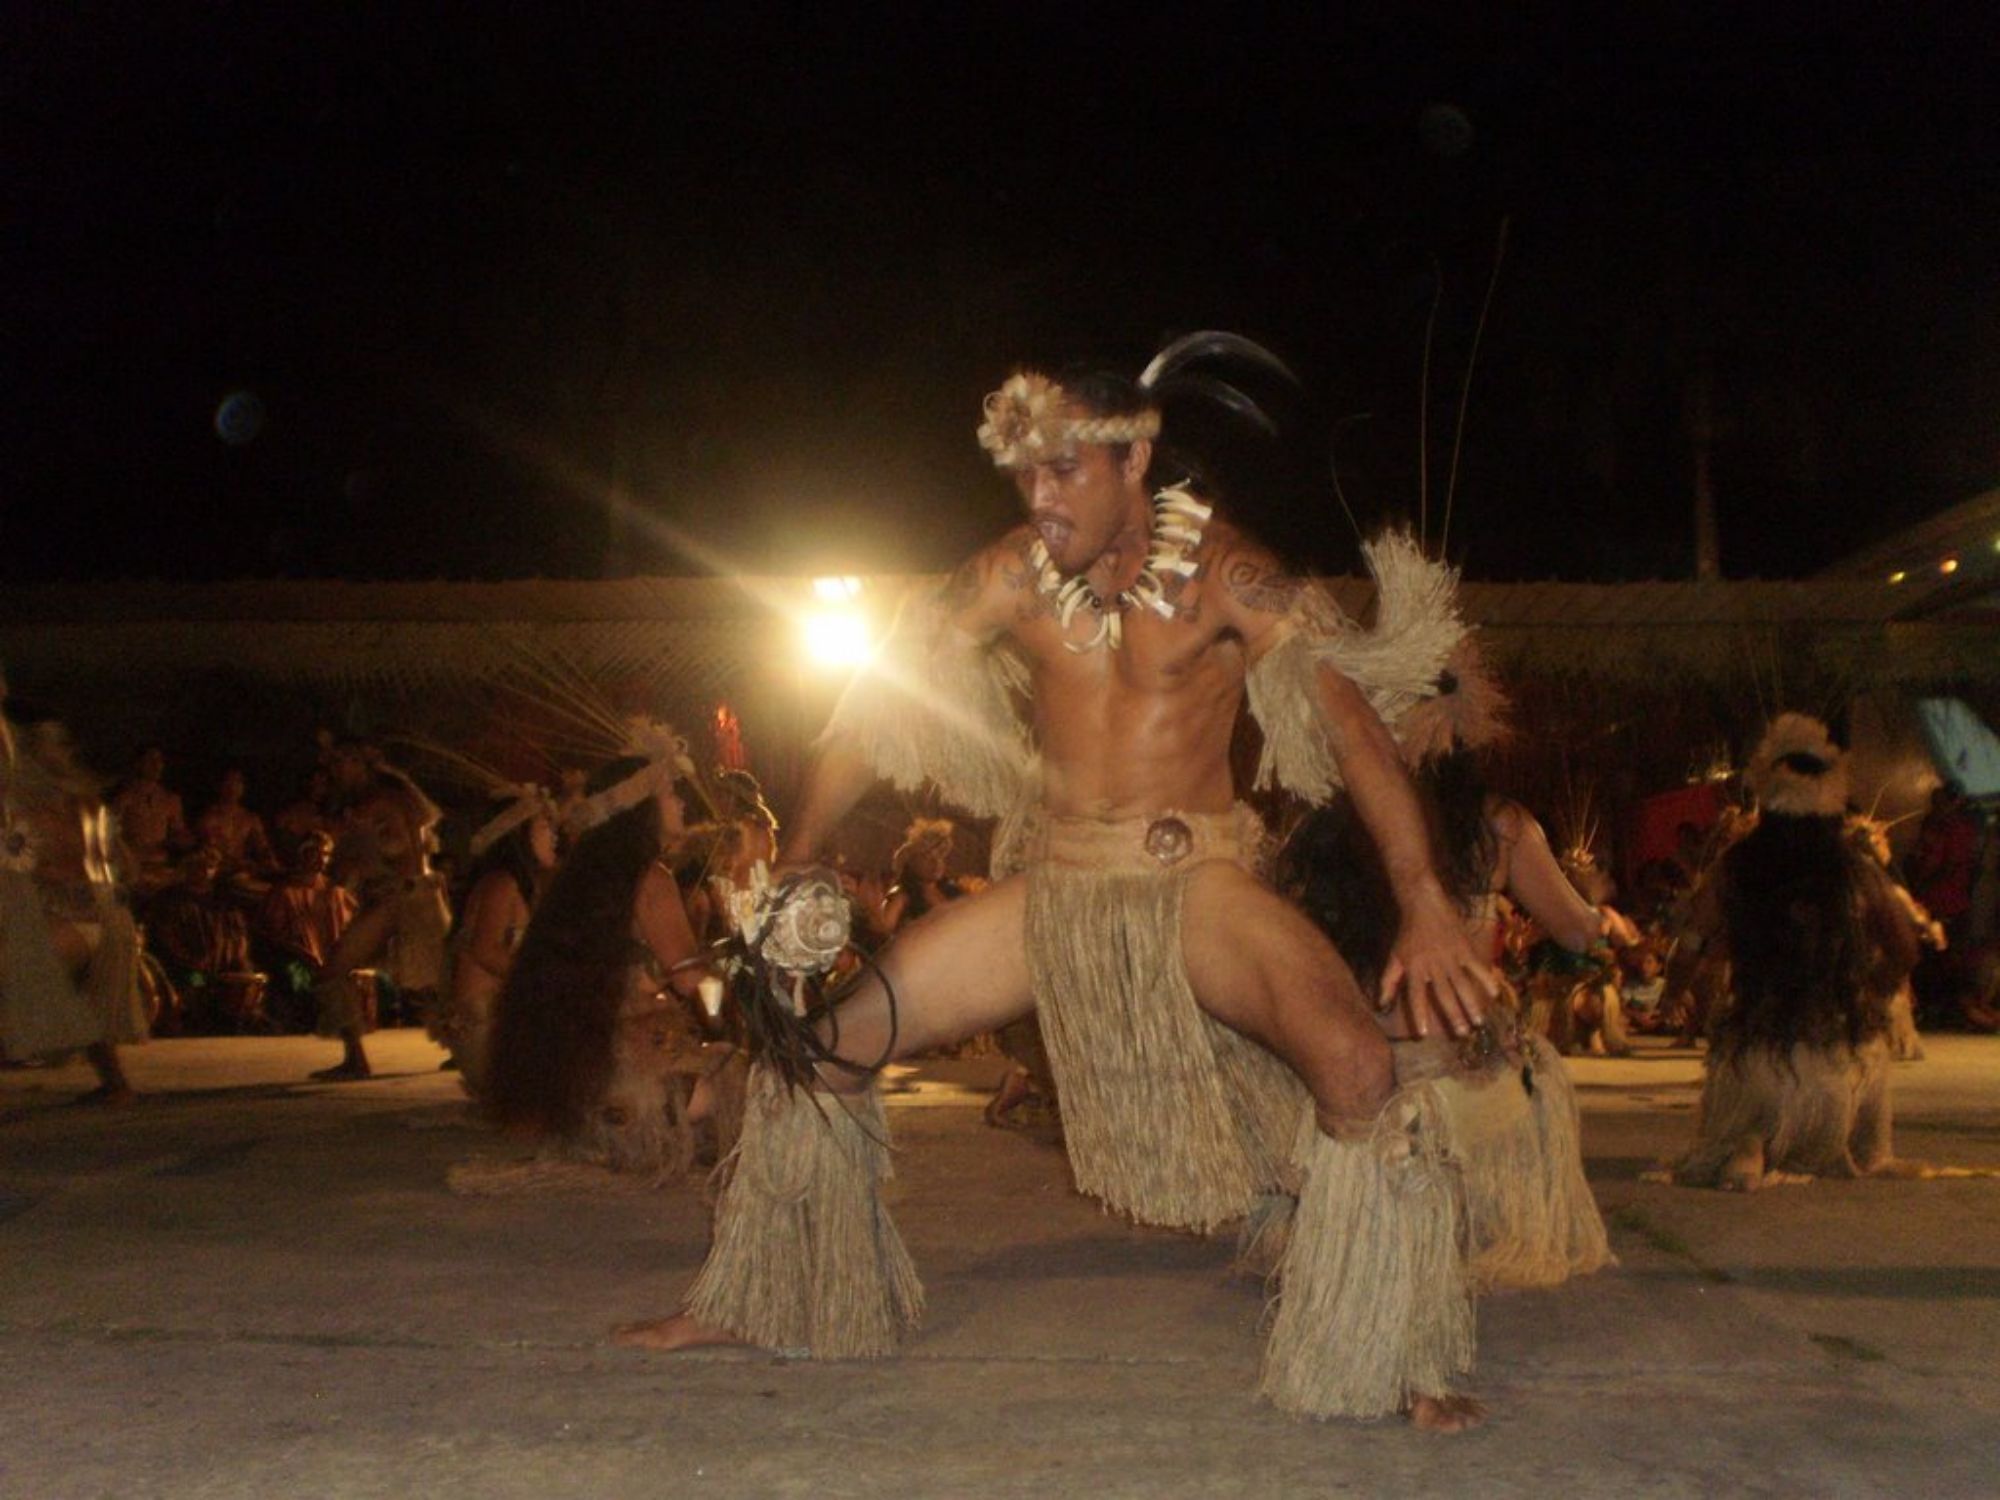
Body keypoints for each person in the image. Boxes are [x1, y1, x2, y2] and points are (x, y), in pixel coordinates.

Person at [614, 357, 1499, 1431]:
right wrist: (798, 850)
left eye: (1064, 470)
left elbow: (1351, 728)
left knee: (1358, 1067)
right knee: (821, 1051)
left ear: (1134, 458)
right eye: (1024, 475)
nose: (1038, 497)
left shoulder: (1228, 576)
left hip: (1193, 885)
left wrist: (1424, 899)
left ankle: (1397, 1349)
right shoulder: (1011, 575)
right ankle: (761, 1298)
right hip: (1059, 886)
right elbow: (876, 704)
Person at [1278, 645, 1620, 1293]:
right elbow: (1578, 931)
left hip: (1357, 1088)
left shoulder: (1320, 833)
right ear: (1461, 728)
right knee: (1535, 1061)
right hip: (1465, 1093)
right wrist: (1595, 907)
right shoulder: (1501, 827)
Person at [1670, 716, 1922, 1190]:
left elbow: (1691, 945)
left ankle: (1751, 1142)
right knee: (1867, 1056)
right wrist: (1874, 991)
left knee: (1738, 1063)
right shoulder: (1855, 871)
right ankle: (1843, 1146)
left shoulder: (1735, 866)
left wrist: (1674, 992)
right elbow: (1905, 948)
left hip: (1756, 1059)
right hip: (1836, 1064)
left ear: (1767, 802)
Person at [486, 744, 737, 1176]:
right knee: (746, 1073)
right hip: (634, 1101)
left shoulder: (574, 881)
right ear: (641, 807)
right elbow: (693, 982)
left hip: (571, 1105)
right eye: (670, 793)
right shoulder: (650, 878)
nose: (681, 803)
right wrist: (736, 1009)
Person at [0, 711, 147, 1102]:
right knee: (83, 1005)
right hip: (108, 921)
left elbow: (18, 867)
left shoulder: (37, 813)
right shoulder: (89, 806)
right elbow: (129, 868)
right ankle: (116, 1085)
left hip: (82, 920)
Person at [309, 739, 449, 1081]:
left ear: (360, 763)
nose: (335, 771)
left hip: (401, 897)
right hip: (415, 895)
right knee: (428, 982)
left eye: (341, 763)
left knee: (334, 970)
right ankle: (466, 1046)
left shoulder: (377, 804)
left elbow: (393, 849)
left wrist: (354, 846)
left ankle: (356, 1059)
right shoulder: (394, 798)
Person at [433, 788, 559, 1097]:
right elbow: (484, 950)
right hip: (488, 1033)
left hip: (502, 1026)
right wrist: (547, 980)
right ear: (519, 834)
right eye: (545, 826)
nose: (554, 835)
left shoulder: (521, 884)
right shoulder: (502, 883)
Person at [255, 831, 356, 1031]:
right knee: (298, 979)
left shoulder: (335, 891)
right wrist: (302, 953)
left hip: (332, 959)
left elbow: (351, 926)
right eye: (315, 853)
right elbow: (272, 935)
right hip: (297, 959)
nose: (321, 860)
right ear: (303, 855)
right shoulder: (284, 892)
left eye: (326, 854)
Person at [110, 747, 190, 895]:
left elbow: (178, 832)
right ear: (139, 764)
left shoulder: (170, 799)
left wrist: (184, 840)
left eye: (159, 761)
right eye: (150, 760)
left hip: (160, 865)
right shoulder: (126, 798)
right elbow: (110, 832)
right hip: (133, 867)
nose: (156, 765)